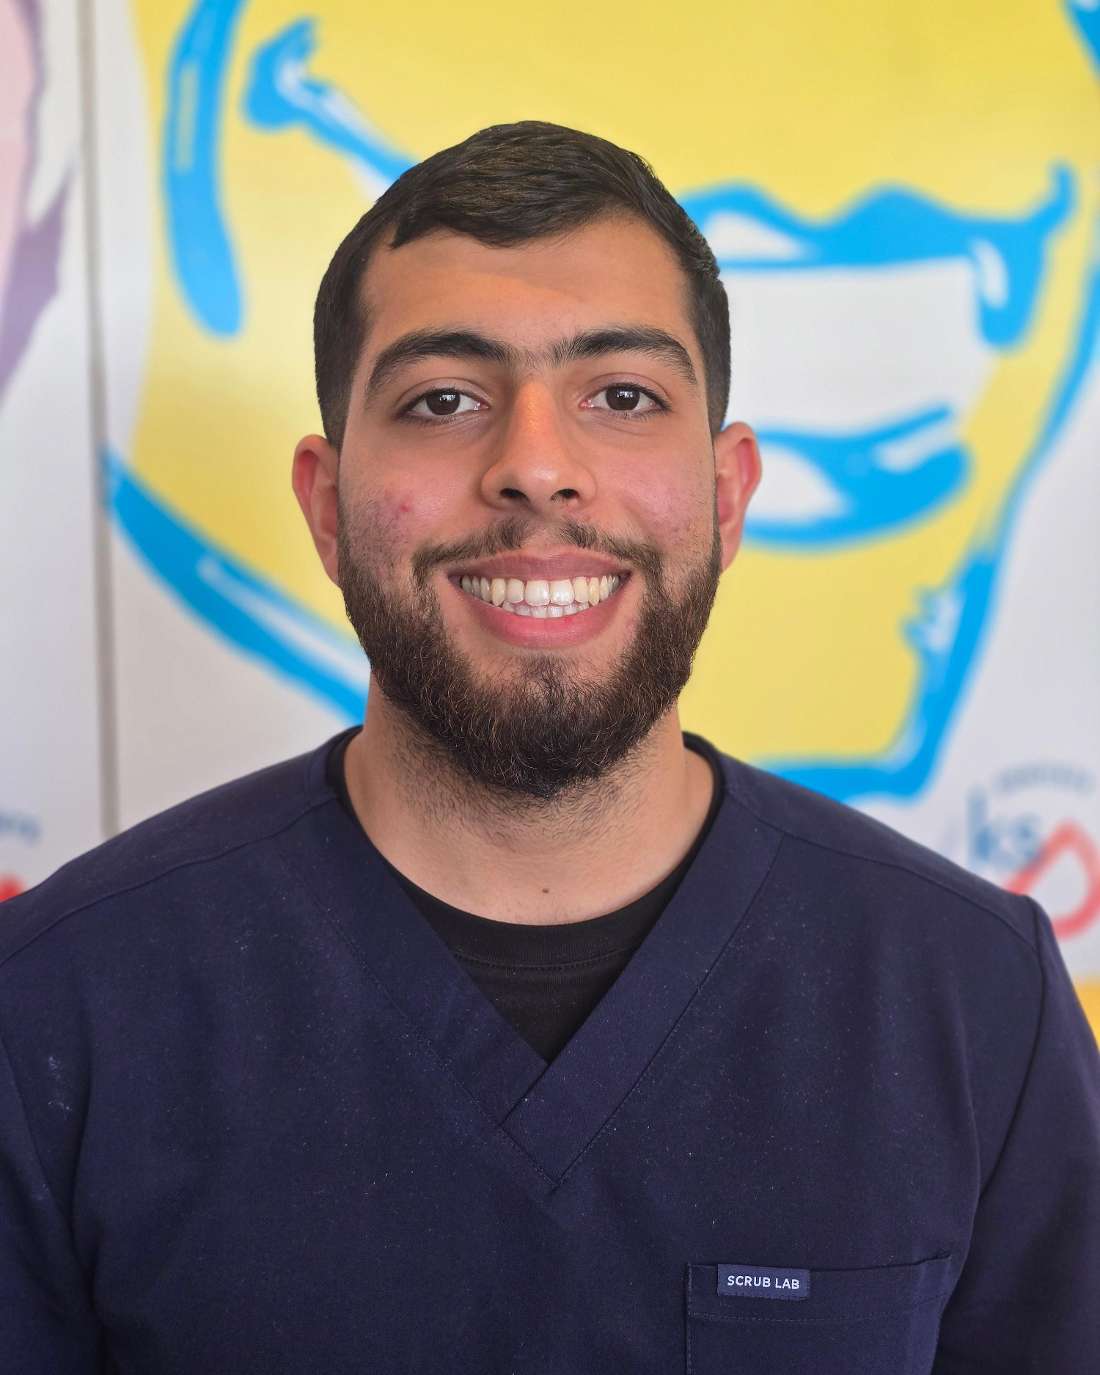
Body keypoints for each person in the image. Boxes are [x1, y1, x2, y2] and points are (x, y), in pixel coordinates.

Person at [1, 121, 1096, 1374]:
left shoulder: (975, 997)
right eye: (443, 400)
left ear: (725, 496)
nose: (534, 466)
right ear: (325, 505)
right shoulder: (55, 1008)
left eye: (621, 396)